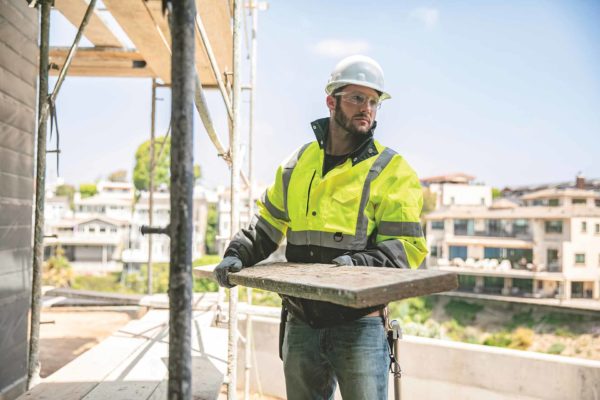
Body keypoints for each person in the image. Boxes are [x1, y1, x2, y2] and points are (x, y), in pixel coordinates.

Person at [214, 55, 427, 400]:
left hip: (358, 326)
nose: (367, 109)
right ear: (331, 102)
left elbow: (406, 248)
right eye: (357, 98)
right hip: (301, 321)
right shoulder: (297, 164)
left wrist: (353, 267)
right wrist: (237, 254)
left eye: (373, 101)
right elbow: (267, 224)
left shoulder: (393, 170)